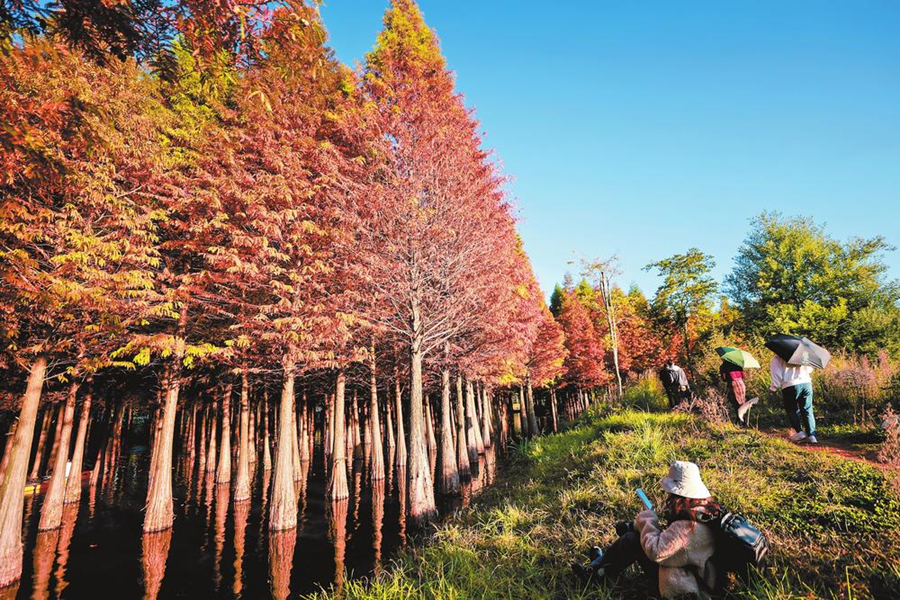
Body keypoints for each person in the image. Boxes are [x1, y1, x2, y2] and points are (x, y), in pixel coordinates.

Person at [573, 461, 721, 598]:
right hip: (690, 574)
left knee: (632, 540)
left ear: (679, 496)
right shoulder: (703, 512)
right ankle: (601, 567)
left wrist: (648, 519)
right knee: (633, 538)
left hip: (686, 591)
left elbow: (657, 551)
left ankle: (596, 572)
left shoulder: (688, 527)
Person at [769, 355, 817, 444]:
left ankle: (799, 432)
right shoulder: (804, 354)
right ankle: (812, 435)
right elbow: (809, 369)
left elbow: (776, 374)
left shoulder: (778, 357)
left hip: (790, 385)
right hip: (806, 383)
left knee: (791, 409)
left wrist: (773, 388)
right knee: (807, 409)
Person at [719, 361, 758, 426]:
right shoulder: (737, 364)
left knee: (736, 403)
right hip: (741, 383)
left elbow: (724, 378)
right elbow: (743, 375)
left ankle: (740, 421)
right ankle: (742, 420)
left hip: (733, 384)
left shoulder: (724, 366)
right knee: (742, 402)